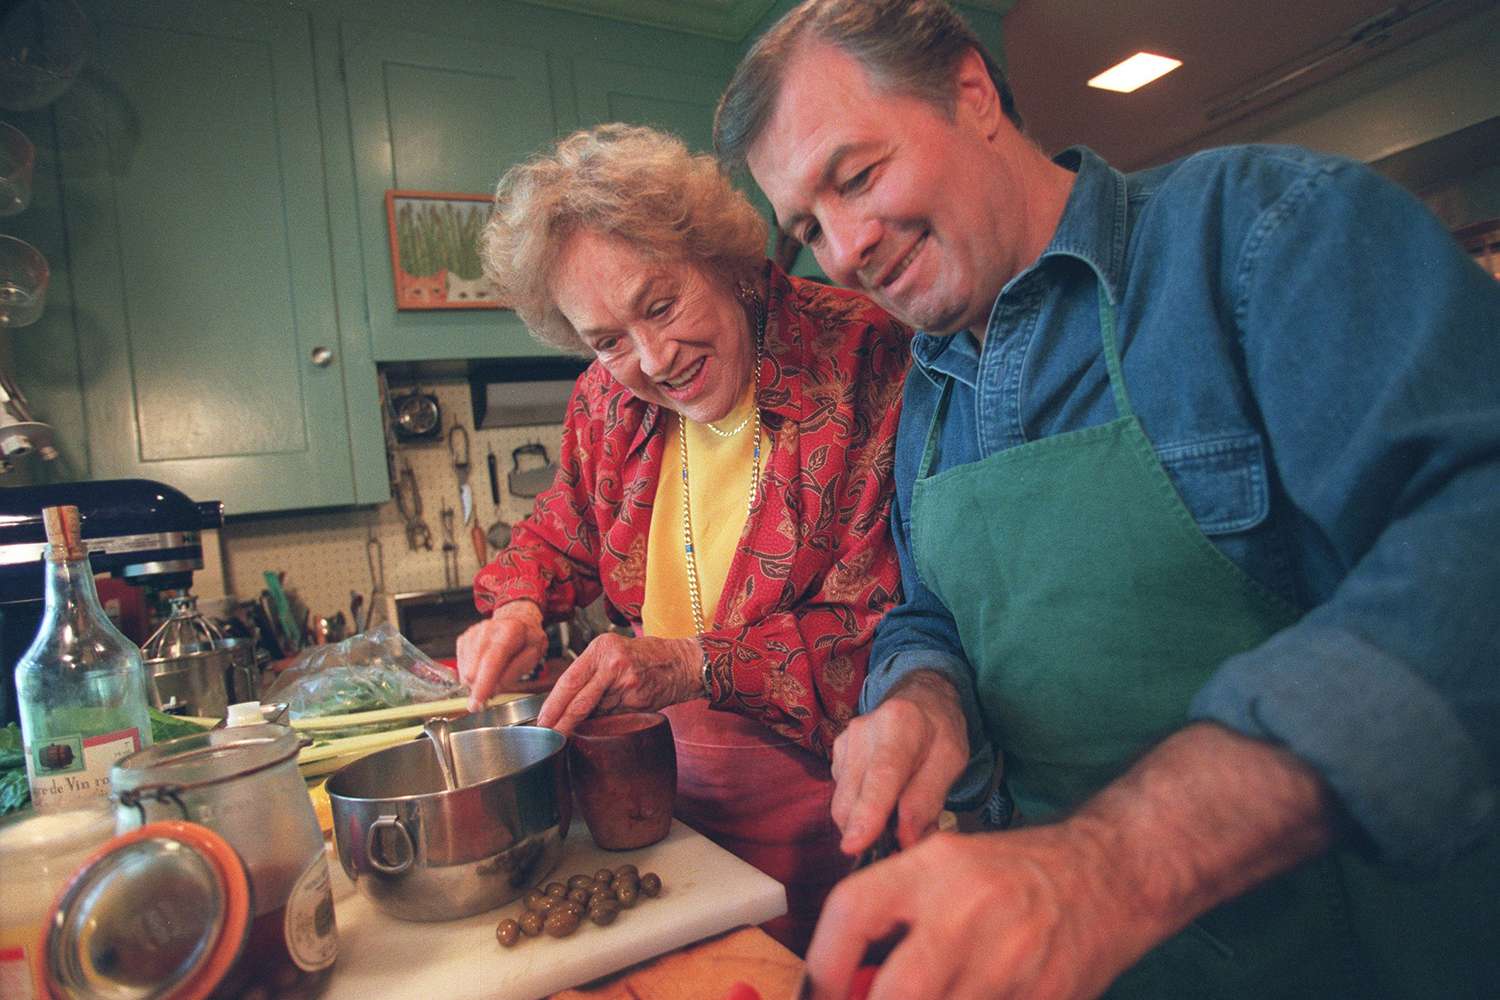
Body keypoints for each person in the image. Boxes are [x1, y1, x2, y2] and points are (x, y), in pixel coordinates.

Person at [715, 1, 1500, 997]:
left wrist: (1111, 865)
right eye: (807, 228)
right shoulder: (929, 387)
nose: (843, 249)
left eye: (857, 177)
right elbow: (930, 612)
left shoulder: (1262, 234)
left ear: (971, 90)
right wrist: (924, 698)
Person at [455, 123, 909, 953]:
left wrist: (693, 664)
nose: (654, 360)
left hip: (830, 810)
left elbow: (878, 635)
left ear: (723, 259)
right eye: (607, 340)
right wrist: (517, 607)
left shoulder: (863, 358)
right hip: (659, 809)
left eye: (661, 305)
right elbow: (564, 527)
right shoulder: (608, 400)